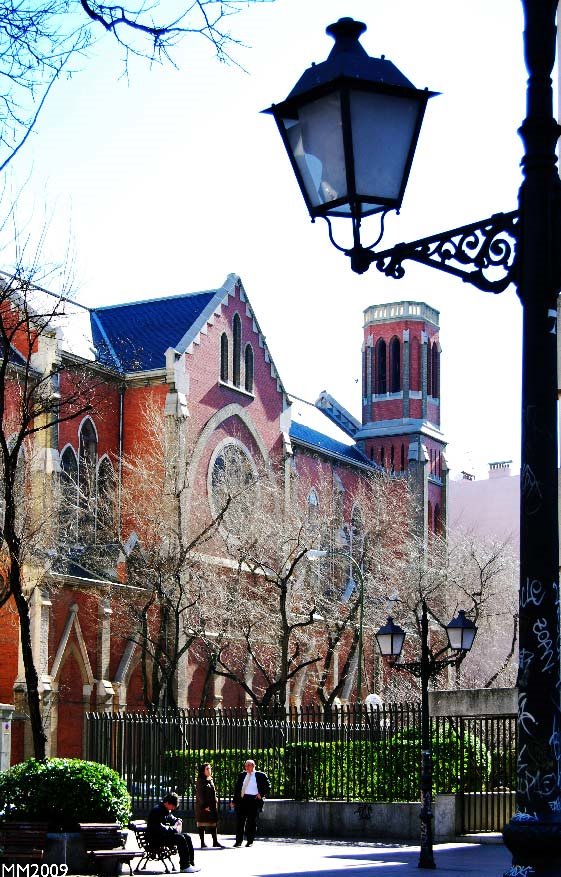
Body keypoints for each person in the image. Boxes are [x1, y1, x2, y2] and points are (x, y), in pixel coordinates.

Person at [147, 791, 200, 873]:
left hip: (163, 836)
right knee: (180, 838)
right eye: (173, 806)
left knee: (187, 837)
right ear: (167, 803)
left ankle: (190, 864)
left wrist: (178, 821)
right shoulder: (157, 811)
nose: (173, 808)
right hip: (156, 839)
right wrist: (174, 829)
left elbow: (172, 818)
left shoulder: (165, 809)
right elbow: (158, 828)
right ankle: (185, 866)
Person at [231, 758, 271, 848]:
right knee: (240, 822)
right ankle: (238, 841)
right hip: (243, 800)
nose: (246, 767)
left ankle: (250, 841)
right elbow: (237, 789)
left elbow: (268, 786)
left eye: (248, 765)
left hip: (254, 800)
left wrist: (261, 794)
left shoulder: (260, 775)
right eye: (245, 765)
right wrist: (234, 801)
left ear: (253, 766)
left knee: (251, 822)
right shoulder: (242, 775)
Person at [195, 763, 223, 848]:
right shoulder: (200, 781)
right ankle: (202, 842)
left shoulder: (210, 780)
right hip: (204, 806)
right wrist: (204, 805)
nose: (209, 770)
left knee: (213, 824)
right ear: (203, 771)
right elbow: (200, 794)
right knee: (202, 824)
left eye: (210, 768)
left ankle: (215, 841)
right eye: (207, 769)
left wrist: (215, 800)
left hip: (212, 805)